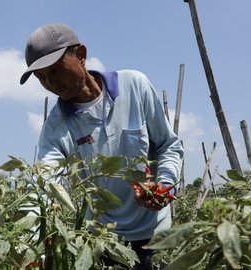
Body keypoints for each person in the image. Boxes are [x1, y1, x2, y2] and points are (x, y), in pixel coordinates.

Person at [20, 23, 183, 269]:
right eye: (41, 77)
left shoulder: (134, 86)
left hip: (157, 234)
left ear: (81, 55)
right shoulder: (56, 127)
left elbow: (168, 145)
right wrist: (28, 246)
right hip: (104, 241)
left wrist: (164, 186)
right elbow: (42, 186)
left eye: (54, 70)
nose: (50, 82)